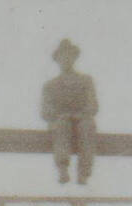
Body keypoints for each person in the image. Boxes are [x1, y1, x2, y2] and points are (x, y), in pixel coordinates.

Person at [41, 38, 98, 185]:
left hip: (82, 120)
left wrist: (80, 114)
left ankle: (84, 172)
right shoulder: (50, 86)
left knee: (87, 126)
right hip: (60, 122)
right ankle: (63, 168)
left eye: (69, 55)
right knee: (62, 125)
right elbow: (45, 111)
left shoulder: (86, 81)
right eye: (62, 56)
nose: (66, 59)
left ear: (74, 58)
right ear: (57, 60)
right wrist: (60, 115)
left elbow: (93, 105)